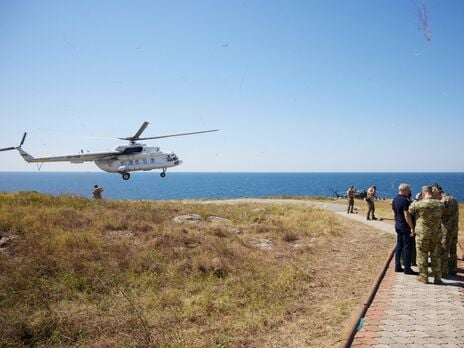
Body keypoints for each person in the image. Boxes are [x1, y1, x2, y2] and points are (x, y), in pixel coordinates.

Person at [409, 185, 444, 284]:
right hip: (436, 234)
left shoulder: (419, 204)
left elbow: (410, 210)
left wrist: (416, 199)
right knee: (436, 256)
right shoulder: (440, 204)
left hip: (422, 234)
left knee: (422, 255)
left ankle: (424, 277)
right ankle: (437, 278)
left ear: (423, 193)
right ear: (432, 193)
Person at [432, 185, 459, 276]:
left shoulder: (445, 201)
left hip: (447, 229)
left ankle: (443, 271)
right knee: (453, 249)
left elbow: (438, 213)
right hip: (454, 228)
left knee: (444, 249)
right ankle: (453, 269)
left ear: (437, 191)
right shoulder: (453, 199)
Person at [392, 183, 417, 274]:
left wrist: (397, 222)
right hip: (405, 227)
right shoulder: (405, 201)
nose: (410, 191)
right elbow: (407, 215)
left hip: (398, 225)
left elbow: (394, 213)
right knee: (407, 248)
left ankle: (397, 266)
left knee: (399, 246)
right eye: (409, 190)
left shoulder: (395, 199)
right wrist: (412, 228)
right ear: (405, 190)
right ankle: (407, 268)